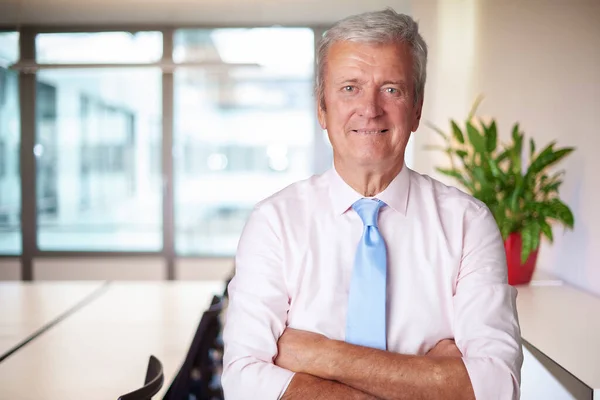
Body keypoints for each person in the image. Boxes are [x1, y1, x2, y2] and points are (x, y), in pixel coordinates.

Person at [222, 8, 523, 400]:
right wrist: (436, 379)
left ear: (416, 109)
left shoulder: (468, 224)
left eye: (391, 89)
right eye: (349, 87)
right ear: (321, 108)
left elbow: (497, 386)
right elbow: (244, 382)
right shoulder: (274, 223)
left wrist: (320, 356)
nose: (370, 108)